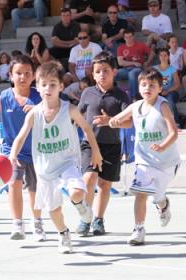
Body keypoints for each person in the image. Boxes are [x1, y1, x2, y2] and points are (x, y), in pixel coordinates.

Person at [9, 61, 102, 252]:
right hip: (45, 168)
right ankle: (63, 233)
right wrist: (12, 156)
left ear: (61, 86)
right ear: (38, 86)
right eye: (44, 84)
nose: (48, 88)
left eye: (53, 84)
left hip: (67, 162)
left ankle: (81, 206)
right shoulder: (34, 113)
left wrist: (96, 152)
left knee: (76, 192)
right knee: (53, 210)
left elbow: (87, 129)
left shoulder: (70, 109)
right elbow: (20, 136)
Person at [104, 68, 180, 245]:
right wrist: (110, 121)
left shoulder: (162, 106)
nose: (147, 88)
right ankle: (138, 229)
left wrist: (162, 145)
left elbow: (174, 133)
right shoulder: (135, 106)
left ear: (160, 88)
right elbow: (119, 120)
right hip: (144, 161)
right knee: (140, 193)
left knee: (157, 197)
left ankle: (164, 205)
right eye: (144, 84)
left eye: (152, 85)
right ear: (138, 87)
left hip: (165, 162)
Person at [0, 55, 46, 241]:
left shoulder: (40, 96)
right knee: (14, 183)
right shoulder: (4, 97)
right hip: (12, 150)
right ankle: (17, 223)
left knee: (35, 189)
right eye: (18, 73)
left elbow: (53, 115)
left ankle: (37, 223)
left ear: (33, 76)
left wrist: (38, 109)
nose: (23, 77)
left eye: (27, 73)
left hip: (36, 150)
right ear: (10, 75)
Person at [77, 51, 131, 236]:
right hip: (90, 145)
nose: (102, 74)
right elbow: (77, 115)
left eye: (106, 70)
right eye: (98, 71)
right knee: (89, 179)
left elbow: (130, 122)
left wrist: (111, 121)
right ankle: (85, 218)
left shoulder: (121, 96)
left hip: (112, 146)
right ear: (93, 73)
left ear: (114, 71)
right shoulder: (87, 93)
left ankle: (98, 220)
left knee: (105, 185)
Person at [115, 29, 154, 100]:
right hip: (125, 69)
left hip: (138, 69)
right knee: (113, 73)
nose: (129, 39)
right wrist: (133, 63)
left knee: (132, 74)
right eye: (126, 37)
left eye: (130, 36)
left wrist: (147, 62)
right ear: (124, 38)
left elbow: (152, 53)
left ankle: (134, 97)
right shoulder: (121, 48)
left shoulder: (140, 45)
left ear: (133, 36)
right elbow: (120, 62)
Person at [154, 48, 181, 127]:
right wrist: (159, 91)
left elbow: (177, 84)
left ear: (168, 56)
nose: (163, 57)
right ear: (159, 57)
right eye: (161, 55)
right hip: (158, 92)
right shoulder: (154, 69)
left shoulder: (172, 69)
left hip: (171, 92)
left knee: (169, 100)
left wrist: (167, 91)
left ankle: (176, 124)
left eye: (165, 55)